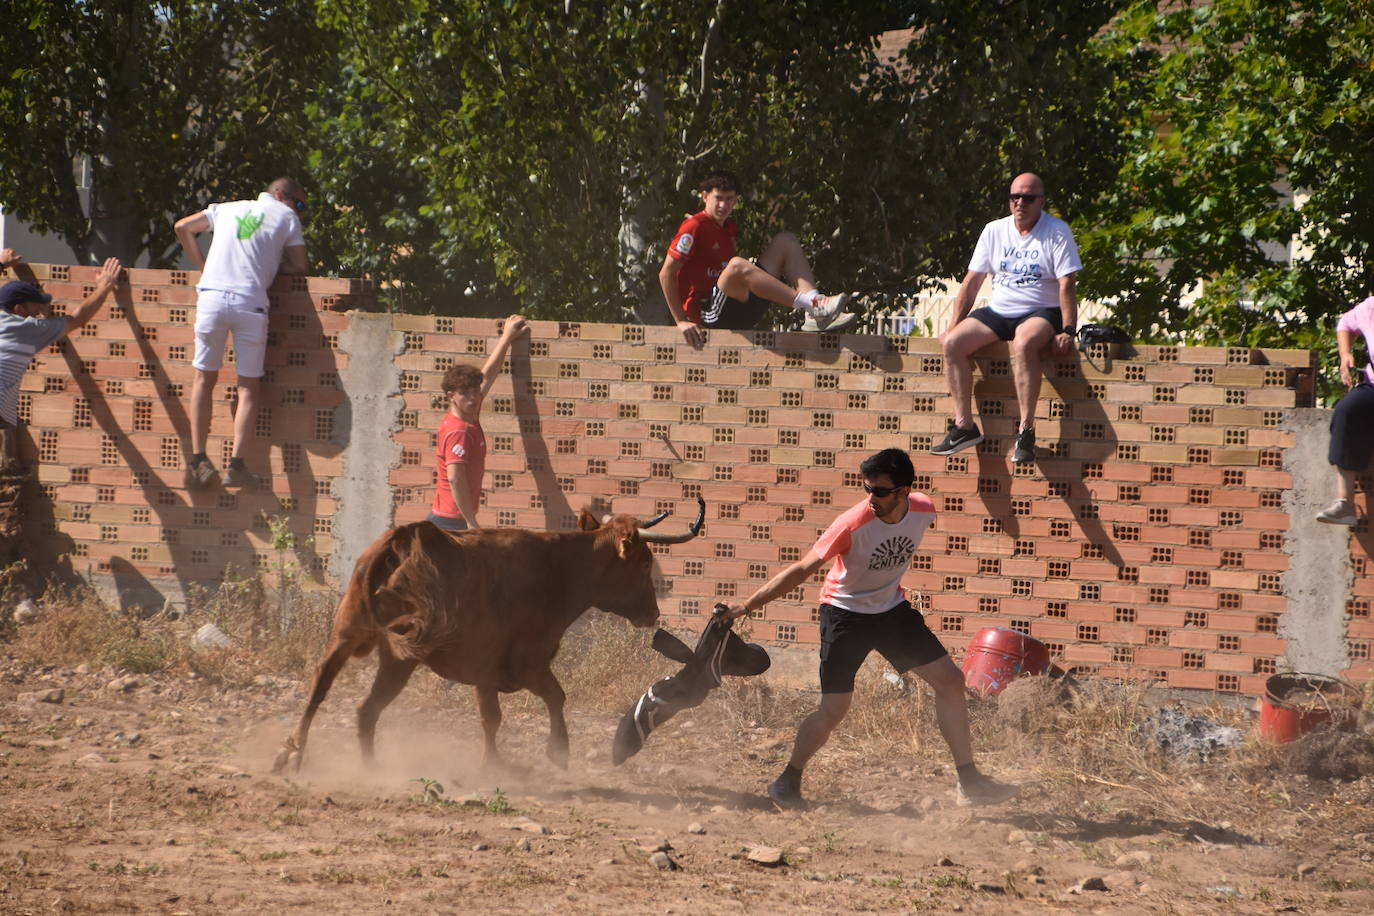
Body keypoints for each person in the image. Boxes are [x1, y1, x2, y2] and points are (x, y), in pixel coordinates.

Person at [722, 448, 1017, 808]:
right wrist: (749, 605)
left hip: (890, 612)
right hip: (845, 615)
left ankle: (970, 782)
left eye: (880, 491)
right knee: (834, 710)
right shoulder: (852, 523)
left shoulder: (923, 509)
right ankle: (787, 780)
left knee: (951, 682)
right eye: (867, 489)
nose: (871, 498)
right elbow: (803, 569)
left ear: (904, 491)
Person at [934, 173, 1081, 465]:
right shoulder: (994, 230)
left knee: (1024, 343)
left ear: (1042, 201)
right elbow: (972, 282)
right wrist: (953, 324)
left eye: (1028, 198)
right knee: (953, 343)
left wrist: (1068, 329)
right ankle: (964, 426)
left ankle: (1026, 431)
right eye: (1015, 197)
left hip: (1041, 310)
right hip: (1000, 311)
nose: (1020, 203)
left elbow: (1067, 283)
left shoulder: (1057, 231)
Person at [174, 178, 309, 488]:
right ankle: (236, 465)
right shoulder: (286, 218)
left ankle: (197, 459)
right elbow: (301, 265)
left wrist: (204, 266)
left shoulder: (228, 209)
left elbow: (183, 227)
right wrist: (271, 267)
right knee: (248, 387)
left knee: (203, 379)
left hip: (211, 297)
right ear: (279, 195)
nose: (300, 212)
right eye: (299, 204)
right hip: (250, 302)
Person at [658, 169, 856, 349]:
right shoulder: (694, 226)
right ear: (705, 196)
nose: (723, 205)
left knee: (785, 241)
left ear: (736, 200)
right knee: (737, 265)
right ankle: (811, 304)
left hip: (738, 309)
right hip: (708, 315)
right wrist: (680, 320)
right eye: (718, 198)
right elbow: (666, 273)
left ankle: (815, 312)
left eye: (729, 199)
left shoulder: (729, 229)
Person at [0, 257, 122, 467]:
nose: (38, 315)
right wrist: (104, 286)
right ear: (19, 310)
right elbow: (78, 318)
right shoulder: (25, 328)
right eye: (34, 310)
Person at [428, 314, 530, 531]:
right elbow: (455, 478)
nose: (474, 398)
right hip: (452, 521)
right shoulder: (460, 431)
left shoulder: (466, 412)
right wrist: (471, 523)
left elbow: (488, 375)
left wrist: (506, 339)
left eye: (475, 391)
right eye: (465, 393)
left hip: (451, 518)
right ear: (451, 396)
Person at [1316, 295, 1374, 526]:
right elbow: (1345, 324)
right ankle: (1345, 504)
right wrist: (1345, 354)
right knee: (1346, 411)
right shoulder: (1371, 306)